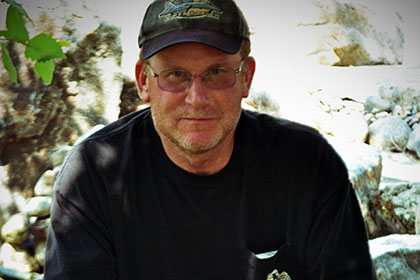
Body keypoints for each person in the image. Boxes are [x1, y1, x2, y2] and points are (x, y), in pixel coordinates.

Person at [44, 0, 377, 279]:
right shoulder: (93, 174)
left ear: (246, 78)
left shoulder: (308, 165)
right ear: (144, 81)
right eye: (176, 75)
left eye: (217, 73)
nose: (197, 98)